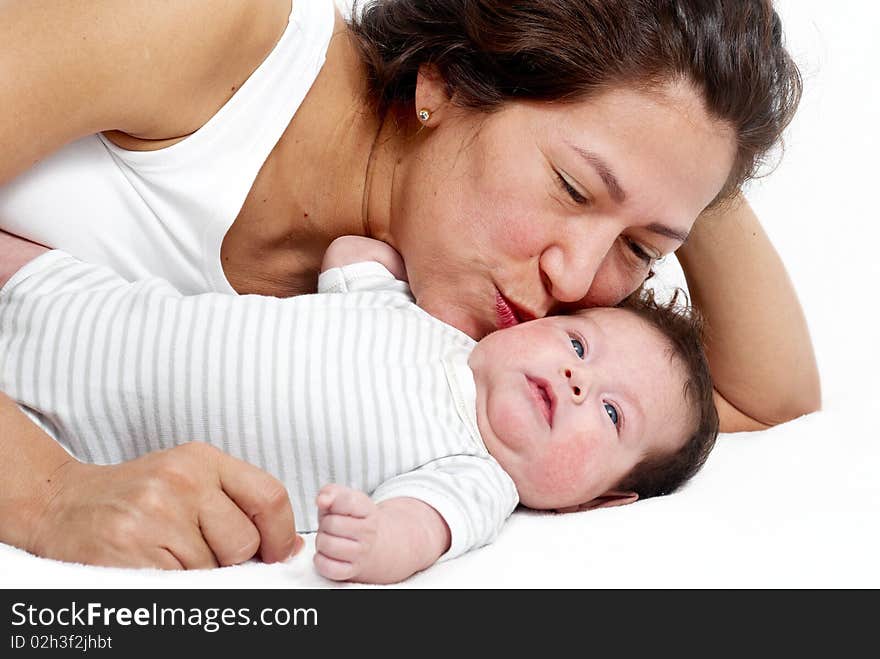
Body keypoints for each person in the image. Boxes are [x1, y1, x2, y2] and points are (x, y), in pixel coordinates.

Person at [0, 0, 819, 568]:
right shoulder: (207, 32)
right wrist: (49, 497)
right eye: (571, 187)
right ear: (445, 82)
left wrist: (687, 138)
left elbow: (765, 396)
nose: (574, 276)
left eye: (640, 247)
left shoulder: (458, 341)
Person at [0, 235, 718, 583]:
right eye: (577, 342)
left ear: (601, 499)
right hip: (82, 302)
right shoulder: (428, 324)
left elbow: (419, 529)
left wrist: (373, 542)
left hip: (71, 432)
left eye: (614, 415)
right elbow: (350, 258)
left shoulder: (478, 475)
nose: (574, 380)